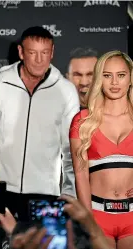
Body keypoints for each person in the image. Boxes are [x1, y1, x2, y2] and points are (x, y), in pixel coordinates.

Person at [0, 26, 80, 222]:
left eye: (44, 53)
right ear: (21, 52)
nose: (39, 60)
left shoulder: (66, 91)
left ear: (52, 53)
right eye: (32, 53)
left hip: (46, 192)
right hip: (0, 189)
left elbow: (70, 148)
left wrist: (69, 194)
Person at [70, 50, 133, 249]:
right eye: (107, 75)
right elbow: (80, 177)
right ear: (99, 79)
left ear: (130, 78)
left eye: (121, 75)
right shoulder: (82, 121)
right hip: (97, 216)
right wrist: (88, 221)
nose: (114, 82)